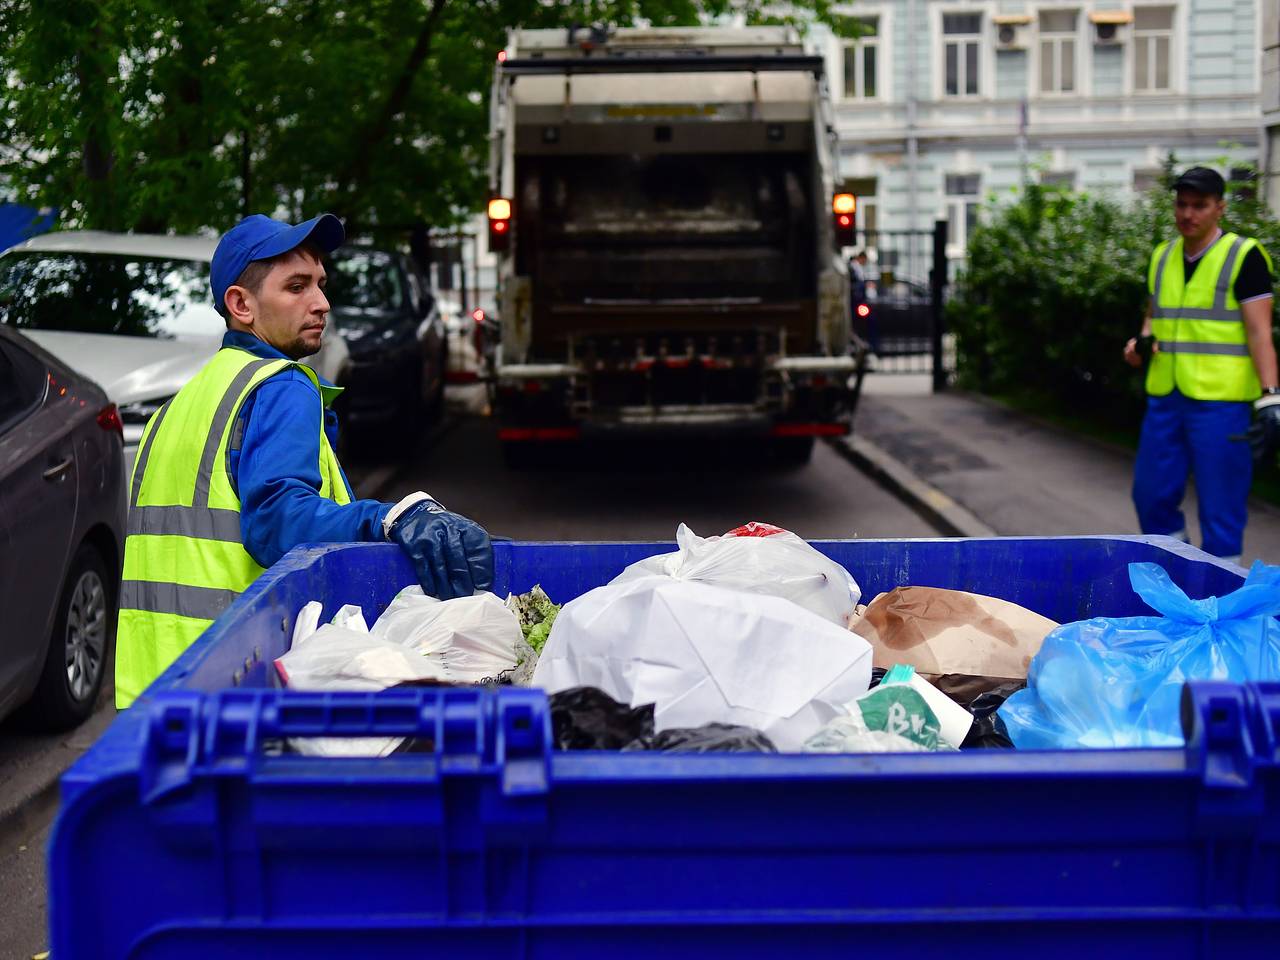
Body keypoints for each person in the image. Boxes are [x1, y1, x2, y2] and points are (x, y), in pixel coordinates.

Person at [114, 214, 493, 708]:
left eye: (320, 284)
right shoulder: (281, 384)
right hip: (236, 682)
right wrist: (389, 518)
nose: (321, 303)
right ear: (241, 304)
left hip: (152, 690)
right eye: (296, 287)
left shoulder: (179, 407)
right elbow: (275, 521)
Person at [1123, 166, 1278, 563]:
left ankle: (1221, 603)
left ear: (1220, 208)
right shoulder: (1162, 256)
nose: (1188, 214)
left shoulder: (1244, 256)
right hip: (1166, 398)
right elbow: (1153, 318)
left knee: (1221, 510)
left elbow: (1261, 332)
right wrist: (1139, 343)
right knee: (1150, 496)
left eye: (1199, 206)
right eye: (1182, 204)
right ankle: (1183, 570)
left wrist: (1270, 396)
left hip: (1221, 404)